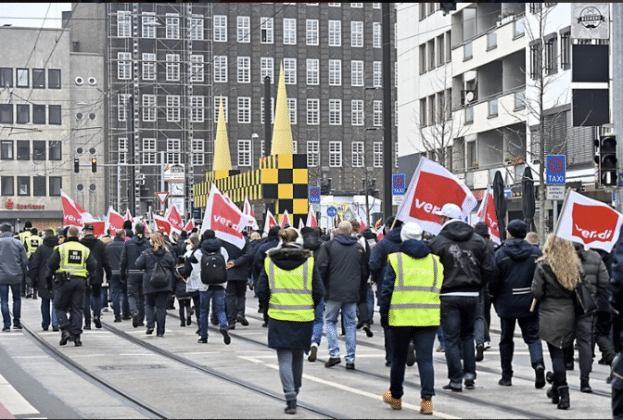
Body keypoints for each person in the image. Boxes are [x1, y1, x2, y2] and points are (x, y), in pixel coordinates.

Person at [256, 228, 324, 415]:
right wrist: (311, 304)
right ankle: (297, 388)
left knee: (284, 358)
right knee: (297, 356)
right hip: (304, 316)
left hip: (278, 316)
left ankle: (290, 397)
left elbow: (261, 288)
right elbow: (319, 290)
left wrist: (267, 306)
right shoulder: (309, 261)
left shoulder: (270, 260)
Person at [428, 203, 494, 392]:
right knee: (468, 336)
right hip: (472, 294)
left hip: (448, 294)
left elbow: (432, 268)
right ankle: (470, 374)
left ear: (446, 219)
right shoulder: (477, 240)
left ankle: (455, 378)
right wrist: (478, 285)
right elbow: (489, 267)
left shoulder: (438, 242)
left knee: (451, 338)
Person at [379, 222, 444, 414]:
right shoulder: (435, 261)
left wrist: (384, 315)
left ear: (403, 238)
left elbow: (386, 290)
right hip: (428, 317)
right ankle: (427, 401)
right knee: (425, 359)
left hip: (401, 318)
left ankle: (396, 397)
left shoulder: (396, 259)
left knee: (398, 359)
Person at [488, 220, 545, 388]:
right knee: (533, 337)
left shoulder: (500, 254)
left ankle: (507, 375)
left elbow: (494, 280)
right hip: (530, 301)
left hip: (507, 302)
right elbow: (541, 276)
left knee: (506, 338)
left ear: (509, 234)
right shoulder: (536, 253)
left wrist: (492, 297)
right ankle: (538, 364)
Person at [531, 235, 583, 410]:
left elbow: (536, 292)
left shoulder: (543, 265)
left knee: (556, 355)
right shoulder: (573, 266)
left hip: (549, 313)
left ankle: (563, 391)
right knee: (564, 348)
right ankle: (555, 389)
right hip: (570, 313)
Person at [316, 221, 368, 370]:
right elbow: (364, 271)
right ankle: (350, 359)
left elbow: (321, 268)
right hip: (352, 291)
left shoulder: (329, 246)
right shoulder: (358, 247)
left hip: (333, 291)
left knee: (330, 321)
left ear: (338, 230)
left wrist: (322, 288)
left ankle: (334, 354)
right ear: (351, 231)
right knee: (350, 324)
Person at [568, 241, 609, 393]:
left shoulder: (564, 255)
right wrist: (593, 294)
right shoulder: (595, 256)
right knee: (584, 341)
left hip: (566, 303)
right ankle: (585, 380)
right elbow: (604, 281)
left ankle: (566, 366)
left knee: (564, 338)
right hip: (586, 304)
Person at [46, 226, 96, 346]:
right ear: (78, 235)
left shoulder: (60, 248)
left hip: (64, 281)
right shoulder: (85, 249)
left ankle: (65, 329)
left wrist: (50, 279)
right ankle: (77, 336)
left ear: (67, 235)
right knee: (77, 309)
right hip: (80, 282)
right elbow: (93, 266)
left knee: (59, 306)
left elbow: (51, 264)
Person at [369, 217, 404, 367]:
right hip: (410, 287)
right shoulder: (411, 245)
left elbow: (373, 264)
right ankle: (408, 346)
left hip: (387, 286)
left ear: (389, 228)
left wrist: (376, 278)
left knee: (389, 322)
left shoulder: (383, 245)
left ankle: (391, 357)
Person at [186, 230, 230, 344]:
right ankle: (224, 325)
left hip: (204, 285)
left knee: (204, 311)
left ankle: (204, 336)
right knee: (220, 309)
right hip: (220, 284)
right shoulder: (223, 250)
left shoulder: (199, 252)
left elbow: (192, 265)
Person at [134, 231, 176, 337]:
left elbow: (138, 264)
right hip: (165, 282)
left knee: (149, 304)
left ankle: (150, 325)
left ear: (151, 241)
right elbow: (173, 264)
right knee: (161, 307)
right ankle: (161, 330)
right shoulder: (167, 253)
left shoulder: (146, 253)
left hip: (150, 281)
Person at [80, 224, 112, 329]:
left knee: (86, 297)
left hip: (83, 273)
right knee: (97, 296)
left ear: (85, 232)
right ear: (93, 232)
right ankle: (97, 316)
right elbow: (106, 260)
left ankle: (87, 322)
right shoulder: (100, 244)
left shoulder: (80, 244)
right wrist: (109, 274)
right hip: (97, 273)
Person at [300, 226, 325, 362]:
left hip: (303, 289)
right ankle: (315, 341)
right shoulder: (323, 246)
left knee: (304, 319)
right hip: (319, 286)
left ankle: (306, 347)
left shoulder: (300, 248)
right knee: (318, 319)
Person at [28, 228, 60, 330]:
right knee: (56, 301)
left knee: (45, 301)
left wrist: (32, 280)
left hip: (43, 278)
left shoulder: (41, 249)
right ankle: (55, 323)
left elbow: (35, 265)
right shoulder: (59, 248)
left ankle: (45, 324)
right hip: (57, 277)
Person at [473, 222, 496, 361]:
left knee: (479, 315)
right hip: (491, 283)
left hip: (479, 283)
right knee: (484, 314)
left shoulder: (475, 245)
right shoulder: (493, 246)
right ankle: (484, 340)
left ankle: (483, 339)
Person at [120, 223, 150, 328]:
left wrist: (122, 274)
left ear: (135, 231)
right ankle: (141, 319)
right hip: (144, 273)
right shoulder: (147, 244)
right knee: (143, 296)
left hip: (132, 272)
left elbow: (123, 260)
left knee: (131, 295)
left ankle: (134, 312)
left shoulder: (128, 243)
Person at [0, 223, 28, 331]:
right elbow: (25, 261)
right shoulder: (18, 243)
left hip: (2, 276)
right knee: (17, 299)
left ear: (1, 231)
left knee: (4, 300)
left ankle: (6, 324)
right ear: (11, 231)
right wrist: (20, 270)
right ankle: (17, 322)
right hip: (16, 276)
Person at [222, 235, 253, 329]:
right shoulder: (243, 239)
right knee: (241, 294)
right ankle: (240, 313)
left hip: (228, 271)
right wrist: (237, 262)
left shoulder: (223, 238)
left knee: (230, 296)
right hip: (241, 271)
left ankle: (231, 320)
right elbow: (250, 254)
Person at [106, 230, 130, 322]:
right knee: (125, 293)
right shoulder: (125, 246)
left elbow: (106, 259)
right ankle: (126, 313)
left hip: (112, 272)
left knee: (114, 293)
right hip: (123, 272)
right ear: (123, 236)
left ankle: (117, 316)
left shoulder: (109, 246)